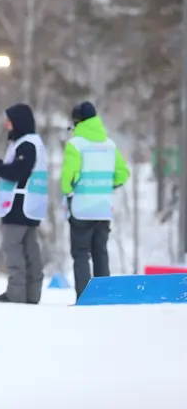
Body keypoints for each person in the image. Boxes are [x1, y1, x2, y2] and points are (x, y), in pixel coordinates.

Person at [62, 101, 129, 300]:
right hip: (103, 208)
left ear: (78, 122)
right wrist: (108, 186)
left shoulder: (75, 145)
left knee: (81, 253)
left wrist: (69, 191)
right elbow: (123, 174)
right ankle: (104, 296)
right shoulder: (109, 144)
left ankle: (84, 297)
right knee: (101, 252)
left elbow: (68, 180)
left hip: (82, 208)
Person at [0, 103, 47, 304]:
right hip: (31, 205)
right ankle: (31, 294)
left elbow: (18, 172)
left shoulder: (26, 144)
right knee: (30, 249)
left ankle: (16, 293)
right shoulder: (32, 142)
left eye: (10, 121)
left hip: (18, 204)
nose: (6, 125)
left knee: (13, 248)